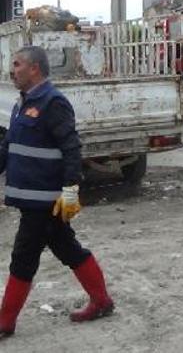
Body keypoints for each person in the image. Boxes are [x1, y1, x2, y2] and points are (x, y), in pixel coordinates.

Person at [0, 46, 114, 340]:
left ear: (35, 68)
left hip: (45, 200)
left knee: (23, 257)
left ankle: (5, 322)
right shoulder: (22, 104)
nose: (12, 70)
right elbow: (8, 148)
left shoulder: (53, 103)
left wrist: (71, 190)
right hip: (32, 199)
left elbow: (71, 148)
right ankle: (101, 301)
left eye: (17, 64)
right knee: (67, 248)